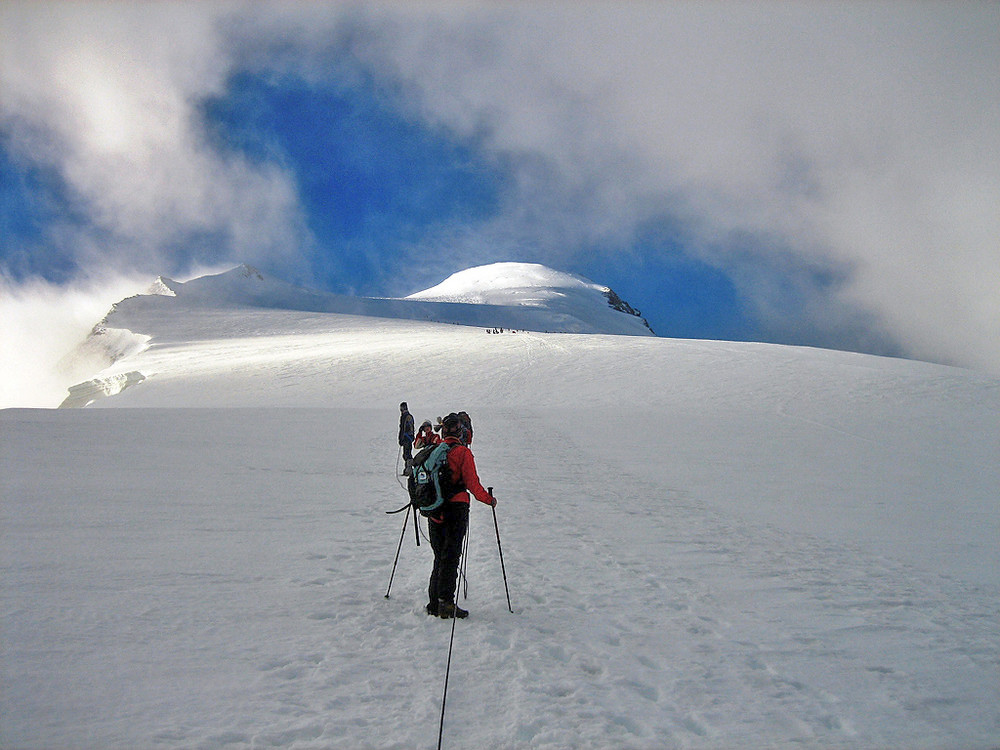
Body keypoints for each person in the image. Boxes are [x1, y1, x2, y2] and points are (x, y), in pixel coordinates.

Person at [426, 412, 495, 619]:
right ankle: (446, 603)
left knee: (439, 555)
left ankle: (434, 602)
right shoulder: (462, 453)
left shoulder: (435, 450)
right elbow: (473, 484)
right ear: (461, 431)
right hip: (456, 510)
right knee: (451, 556)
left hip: (434, 510)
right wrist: (489, 500)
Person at [398, 402, 415, 474]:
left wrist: (401, 438)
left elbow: (403, 428)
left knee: (407, 453)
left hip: (406, 437)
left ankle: (409, 469)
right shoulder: (408, 416)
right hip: (408, 437)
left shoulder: (405, 416)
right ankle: (408, 468)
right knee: (407, 453)